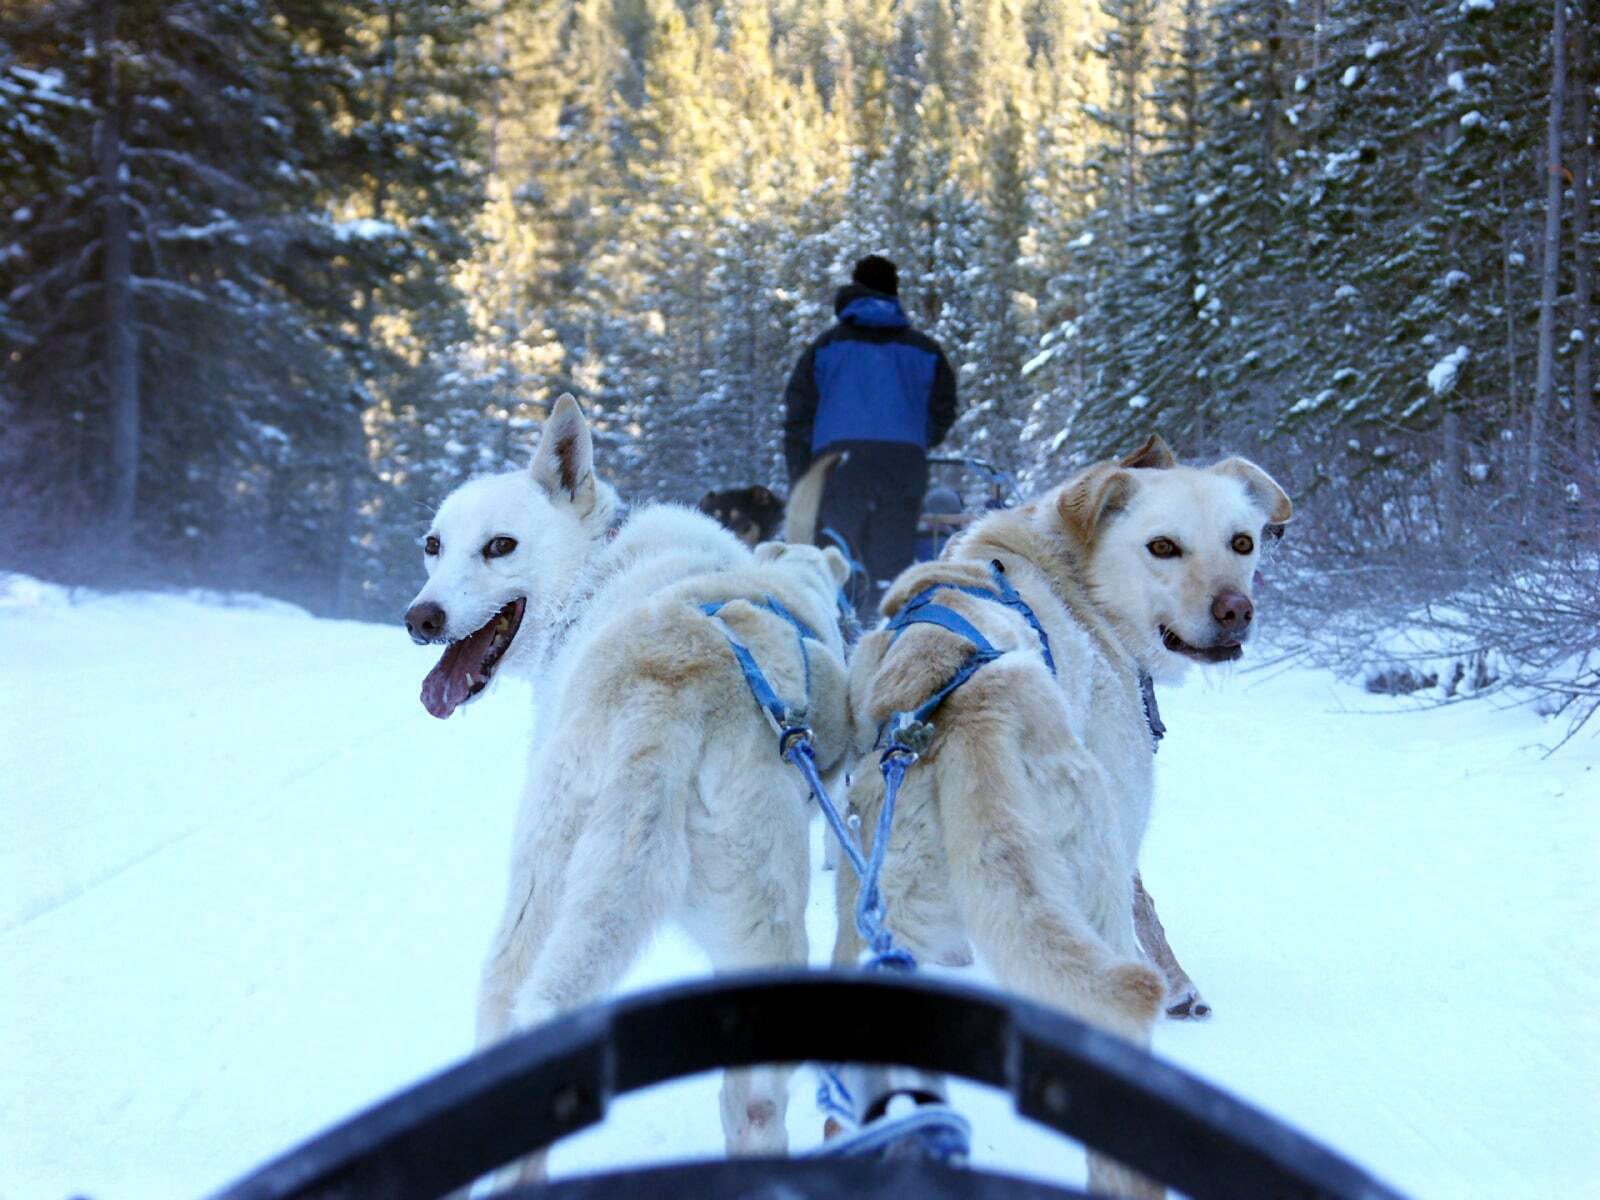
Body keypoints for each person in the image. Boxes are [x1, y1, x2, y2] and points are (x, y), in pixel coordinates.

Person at [783, 255, 958, 620]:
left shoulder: (825, 348)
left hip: (838, 464)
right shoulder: (924, 350)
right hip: (902, 465)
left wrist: (803, 473)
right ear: (895, 293)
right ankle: (888, 639)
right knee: (891, 564)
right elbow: (943, 409)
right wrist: (913, 440)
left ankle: (840, 635)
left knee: (839, 557)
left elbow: (799, 416)